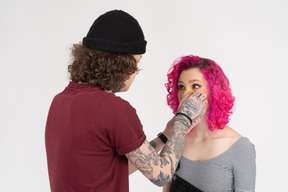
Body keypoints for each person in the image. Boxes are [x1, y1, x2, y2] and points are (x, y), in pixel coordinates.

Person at [45, 10, 207, 192]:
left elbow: (112, 170)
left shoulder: (59, 101)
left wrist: (166, 135)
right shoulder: (112, 109)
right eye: (136, 62)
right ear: (121, 63)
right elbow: (161, 175)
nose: (137, 72)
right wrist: (183, 120)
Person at [163, 55, 256, 192]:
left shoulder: (239, 147)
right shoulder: (176, 137)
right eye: (181, 87)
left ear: (214, 91)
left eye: (195, 86)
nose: (186, 94)